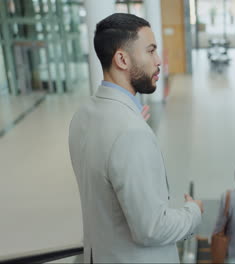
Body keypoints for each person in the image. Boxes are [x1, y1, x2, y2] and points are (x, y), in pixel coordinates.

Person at [68, 13, 203, 263]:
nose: (159, 60)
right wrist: (193, 212)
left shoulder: (83, 116)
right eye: (151, 51)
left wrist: (131, 121)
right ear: (122, 59)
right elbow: (151, 228)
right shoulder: (130, 132)